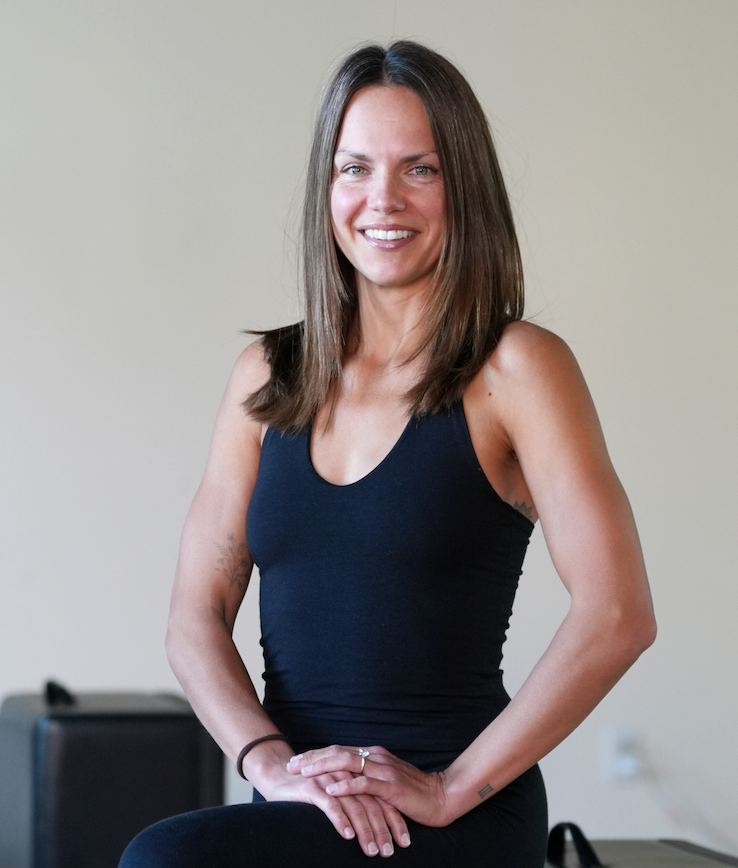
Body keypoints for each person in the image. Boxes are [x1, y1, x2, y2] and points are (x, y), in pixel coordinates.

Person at [120, 40, 656, 867]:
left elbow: (618, 615)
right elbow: (194, 620)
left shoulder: (517, 369)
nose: (382, 199)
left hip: (455, 811)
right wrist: (271, 764)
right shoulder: (268, 377)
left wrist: (449, 787)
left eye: (420, 169)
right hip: (304, 804)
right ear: (327, 189)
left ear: (463, 188)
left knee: (165, 861)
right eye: (355, 167)